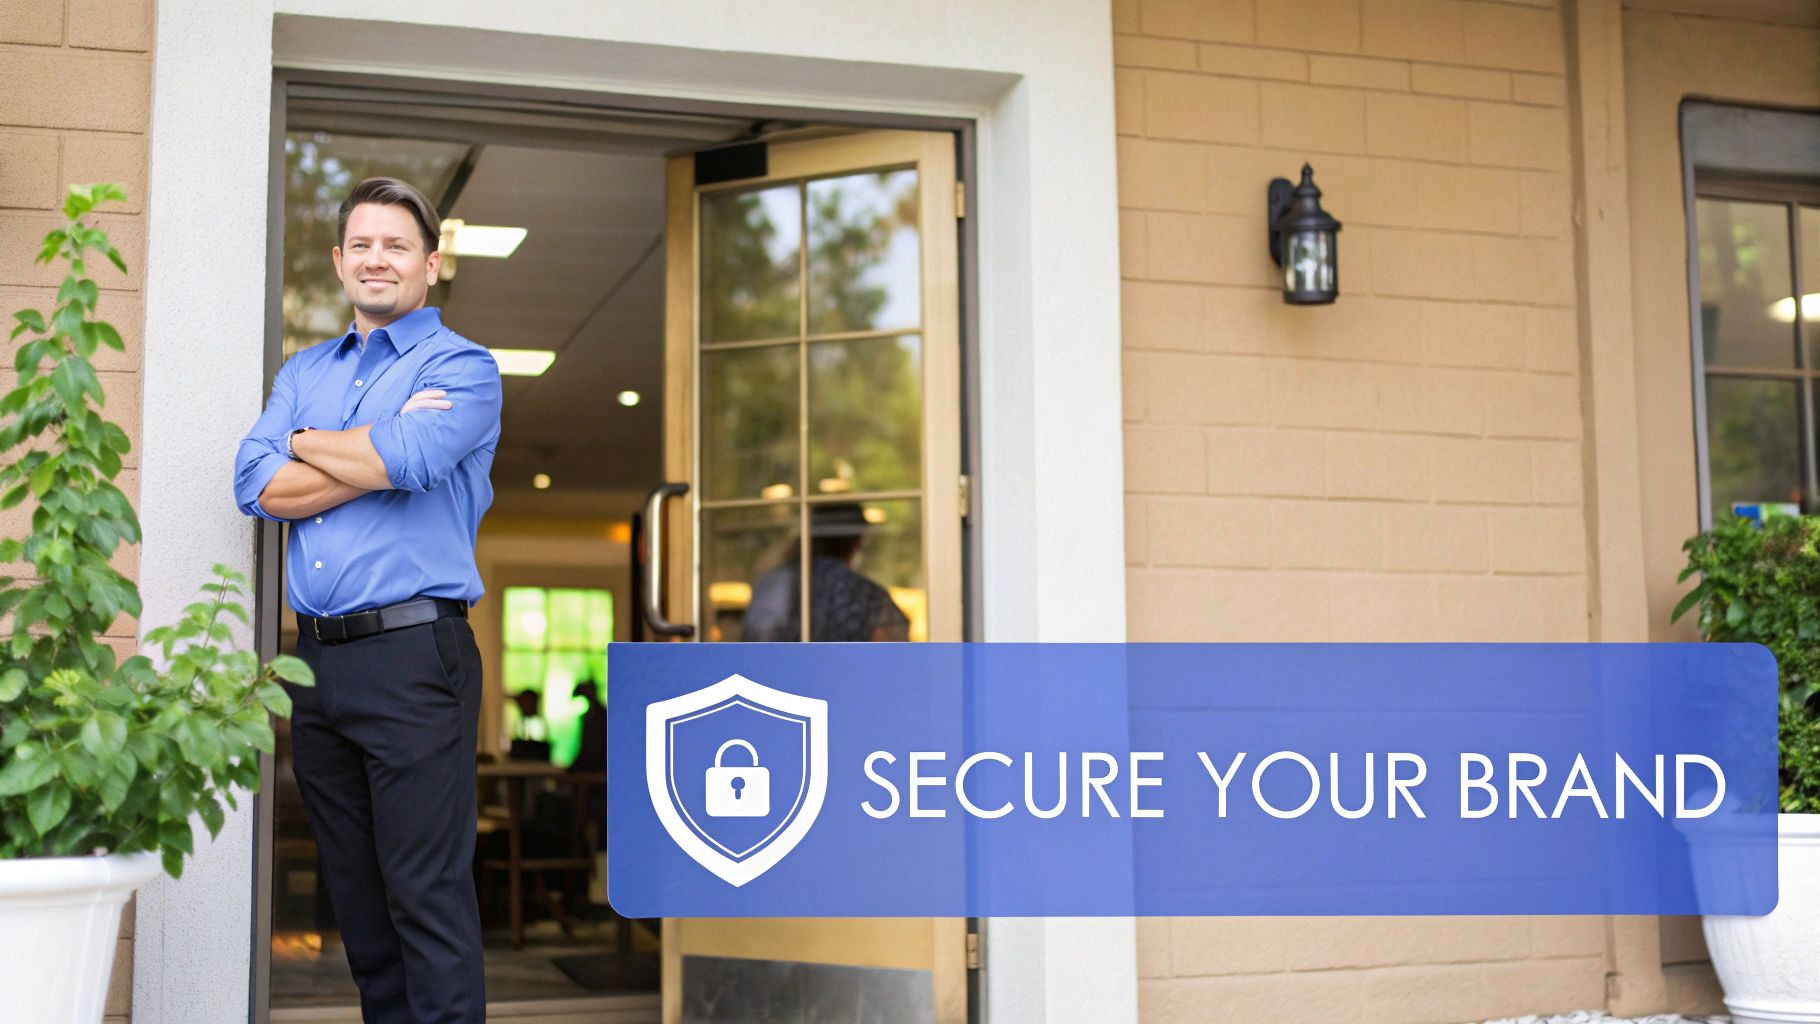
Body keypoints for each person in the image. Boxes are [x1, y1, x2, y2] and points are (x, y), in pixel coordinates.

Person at [233, 177, 502, 1024]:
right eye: (361, 245)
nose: (376, 259)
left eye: (395, 245)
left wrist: (303, 446)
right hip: (317, 665)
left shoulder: (461, 366)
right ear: (340, 261)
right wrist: (364, 449)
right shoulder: (305, 369)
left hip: (415, 654)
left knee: (425, 896)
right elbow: (253, 482)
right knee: (359, 905)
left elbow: (414, 460)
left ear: (430, 263)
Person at [741, 502, 910, 642]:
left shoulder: (772, 583)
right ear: (856, 542)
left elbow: (756, 642)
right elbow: (894, 651)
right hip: (845, 680)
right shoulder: (866, 594)